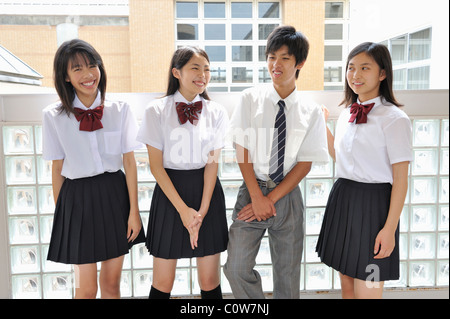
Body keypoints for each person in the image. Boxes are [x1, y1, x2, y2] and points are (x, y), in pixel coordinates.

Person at [224, 25, 329, 299]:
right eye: (271, 57)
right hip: (252, 190)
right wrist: (258, 197)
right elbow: (242, 149)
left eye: (284, 57)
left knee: (288, 276)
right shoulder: (250, 99)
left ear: (300, 63)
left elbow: (305, 163)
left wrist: (271, 198)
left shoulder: (311, 111)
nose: (276, 64)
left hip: (288, 194)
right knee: (235, 267)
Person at [42, 39, 145, 299]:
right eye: (77, 69)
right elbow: (57, 169)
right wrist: (63, 215)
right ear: (65, 77)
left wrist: (134, 212)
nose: (88, 75)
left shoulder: (119, 110)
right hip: (76, 200)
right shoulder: (53, 116)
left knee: (111, 285)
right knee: (85, 289)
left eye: (92, 65)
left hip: (114, 196)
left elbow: (129, 162)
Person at [316, 42, 412, 299]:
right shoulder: (348, 112)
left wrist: (389, 229)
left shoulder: (395, 119)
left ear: (382, 73)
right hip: (343, 199)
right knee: (347, 286)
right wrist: (322, 126)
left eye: (364, 68)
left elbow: (401, 180)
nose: (355, 75)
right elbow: (341, 158)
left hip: (374, 208)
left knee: (368, 288)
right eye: (351, 68)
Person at [137, 46, 229, 299]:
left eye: (207, 69)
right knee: (163, 281)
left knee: (209, 280)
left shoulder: (217, 112)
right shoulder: (155, 110)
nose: (203, 75)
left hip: (206, 192)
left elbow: (213, 163)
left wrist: (203, 209)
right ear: (176, 72)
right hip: (170, 194)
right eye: (195, 68)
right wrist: (182, 210)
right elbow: (156, 166)